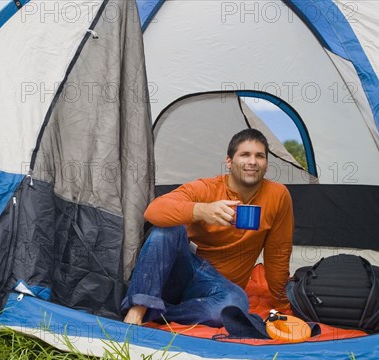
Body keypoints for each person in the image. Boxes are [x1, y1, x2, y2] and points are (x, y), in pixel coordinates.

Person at [122, 128, 293, 326]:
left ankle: (160, 312)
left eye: (259, 156)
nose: (252, 162)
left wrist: (282, 305)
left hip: (217, 286)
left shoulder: (278, 196)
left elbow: (277, 253)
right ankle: (137, 310)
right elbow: (153, 211)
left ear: (266, 164)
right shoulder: (206, 188)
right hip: (185, 269)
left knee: (235, 305)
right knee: (168, 228)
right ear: (229, 162)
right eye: (245, 154)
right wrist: (201, 211)